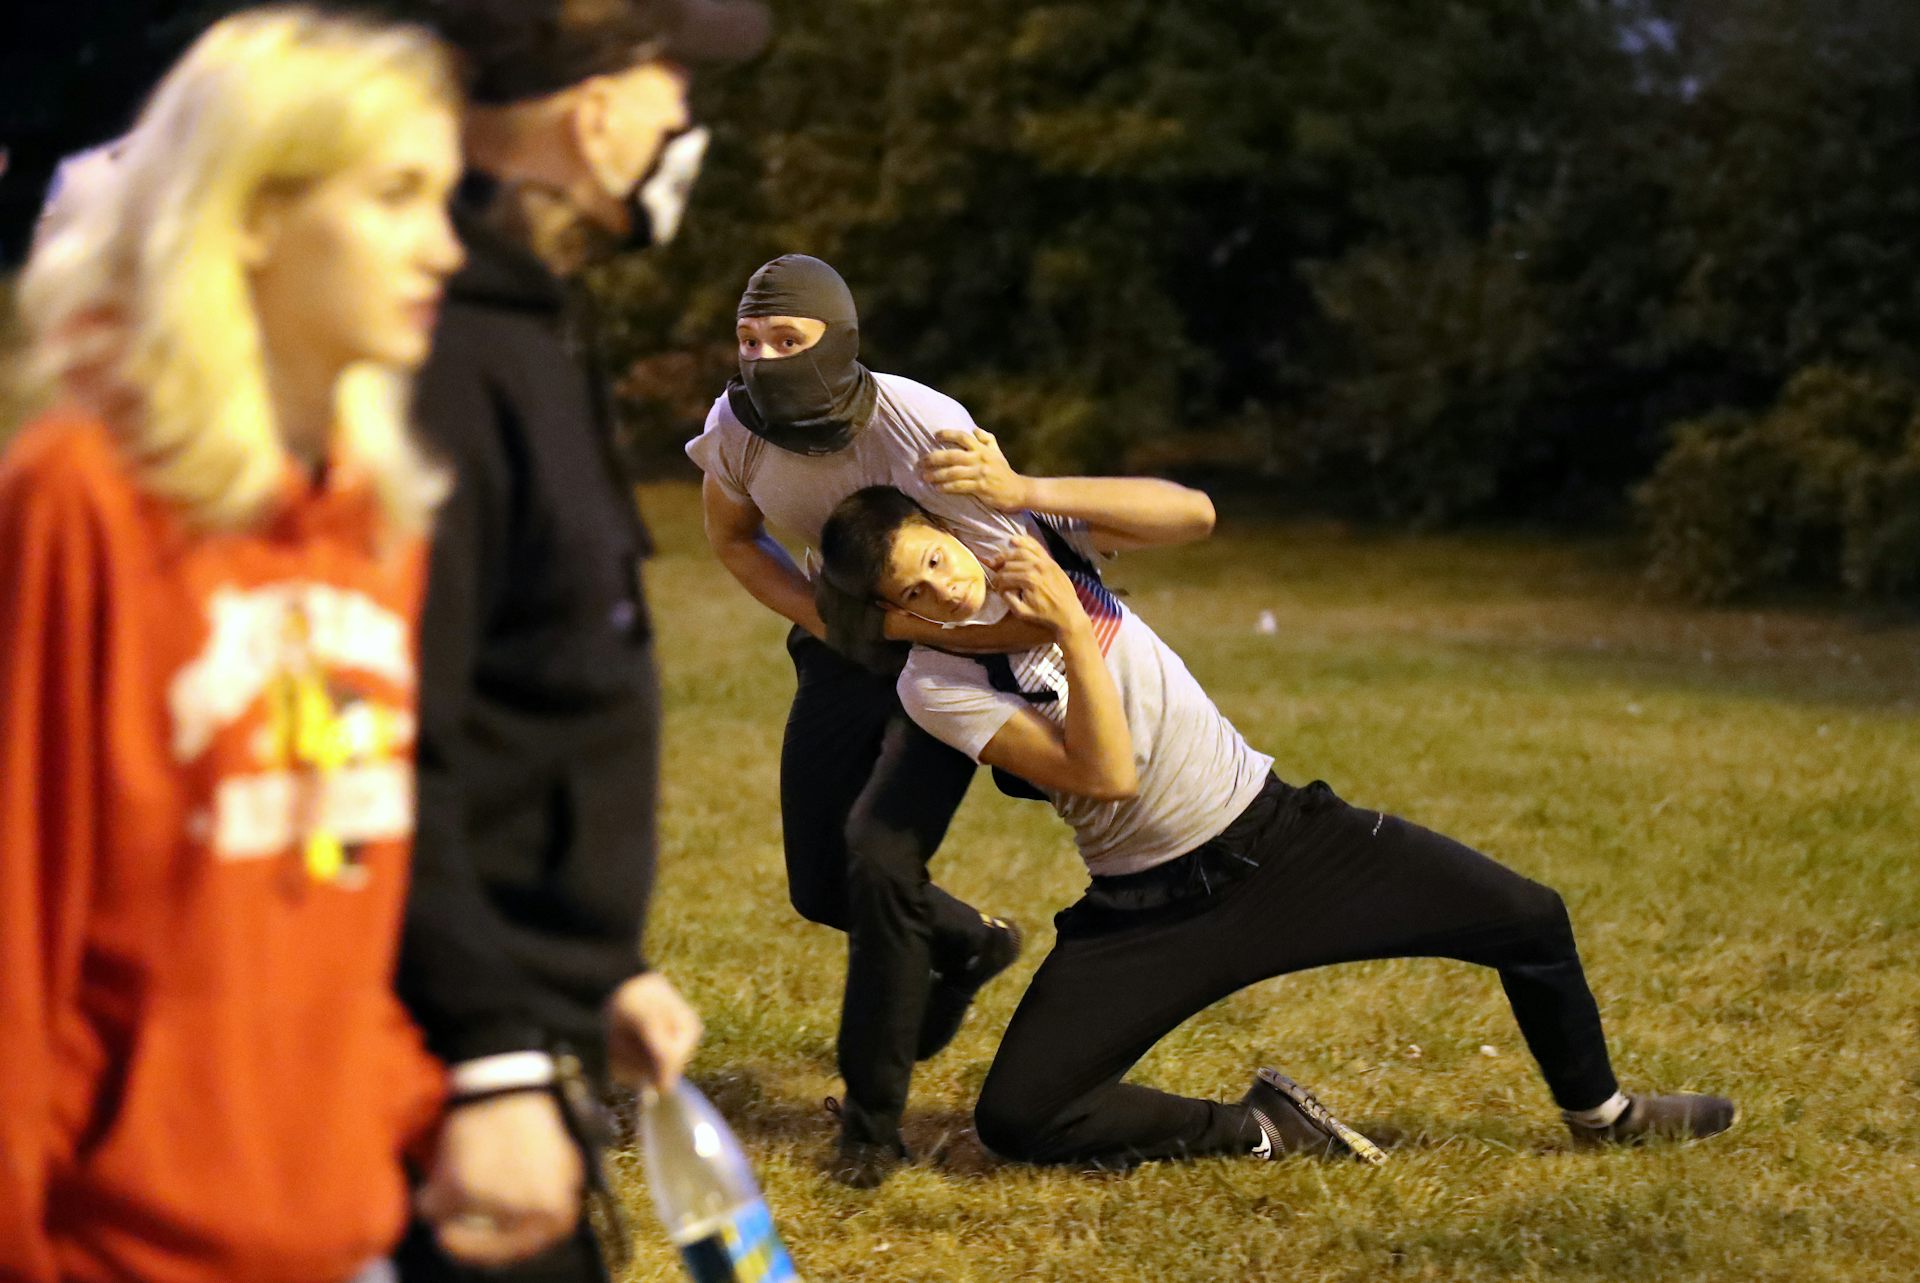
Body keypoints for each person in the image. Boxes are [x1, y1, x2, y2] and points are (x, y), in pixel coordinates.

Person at [814, 437, 1739, 1169]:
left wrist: (1023, 488)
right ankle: (1262, 1128)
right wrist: (1070, 630)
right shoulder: (936, 684)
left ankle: (1604, 1114)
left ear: (943, 527)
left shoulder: (1036, 540)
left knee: (1530, 917)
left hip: (1284, 841)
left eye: (934, 556)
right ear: (896, 613)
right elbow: (1106, 774)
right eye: (913, 591)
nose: (944, 586)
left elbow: (1194, 513)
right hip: (1146, 910)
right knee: (1020, 1116)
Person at [0, 9, 468, 1281]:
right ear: (252, 213)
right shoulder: (83, 495)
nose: (443, 244)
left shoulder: (377, 512)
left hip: (344, 1231)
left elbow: (319, 908)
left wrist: (416, 1108)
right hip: (118, 1248)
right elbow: (20, 941)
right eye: (396, 197)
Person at [381, 2, 773, 1277]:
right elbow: (376, 739)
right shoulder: (440, 352)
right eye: (673, 81)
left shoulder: (525, 324)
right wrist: (488, 1053)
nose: (683, 119)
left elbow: (524, 688)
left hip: (500, 1008)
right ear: (594, 112)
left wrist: (590, 971)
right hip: (422, 1067)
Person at [686, 254, 1048, 1186]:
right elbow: (734, 539)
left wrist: (955, 645)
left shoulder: (922, 426)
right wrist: (833, 626)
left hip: (959, 649)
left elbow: (1024, 577)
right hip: (847, 644)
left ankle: (870, 1125)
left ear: (839, 339)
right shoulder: (737, 429)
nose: (764, 359)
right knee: (820, 885)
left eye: (788, 339)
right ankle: (968, 941)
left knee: (879, 859)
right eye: (749, 340)